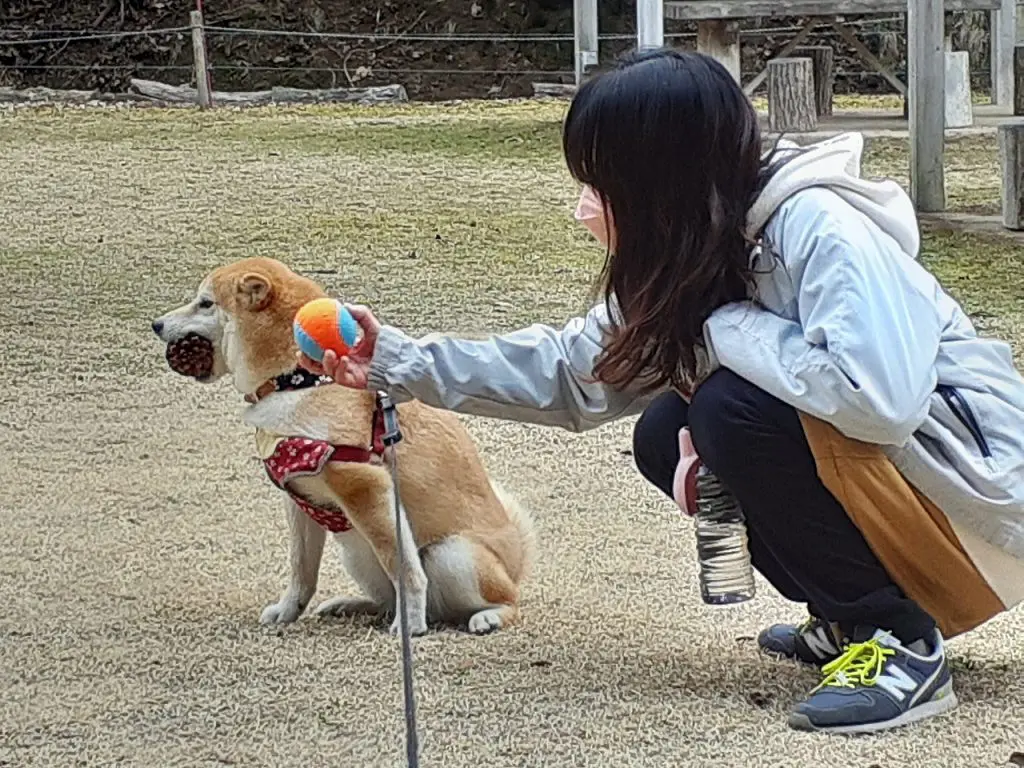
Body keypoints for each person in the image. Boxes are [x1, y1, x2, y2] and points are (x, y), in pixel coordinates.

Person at [298, 49, 1024, 734]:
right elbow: (572, 370)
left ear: (660, 176)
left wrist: (727, 329)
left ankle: (898, 641)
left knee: (728, 410)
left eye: (603, 179)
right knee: (663, 429)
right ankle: (847, 618)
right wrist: (394, 358)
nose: (590, 202)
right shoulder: (700, 248)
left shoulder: (820, 229)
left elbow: (880, 399)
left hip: (977, 510)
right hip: (920, 502)